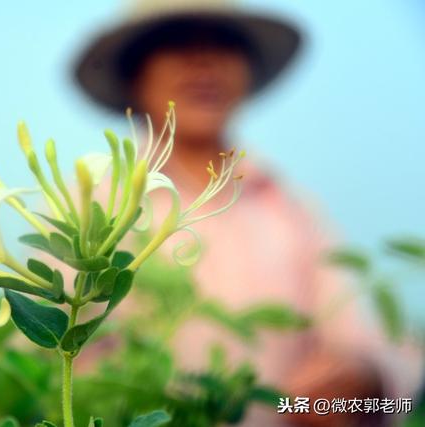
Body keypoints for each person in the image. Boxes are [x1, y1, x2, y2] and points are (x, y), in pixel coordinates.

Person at [71, 1, 422, 426]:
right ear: (134, 74)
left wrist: (363, 383)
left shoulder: (292, 211)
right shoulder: (90, 205)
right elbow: (47, 368)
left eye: (224, 43)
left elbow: (382, 373)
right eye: (177, 43)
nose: (203, 61)